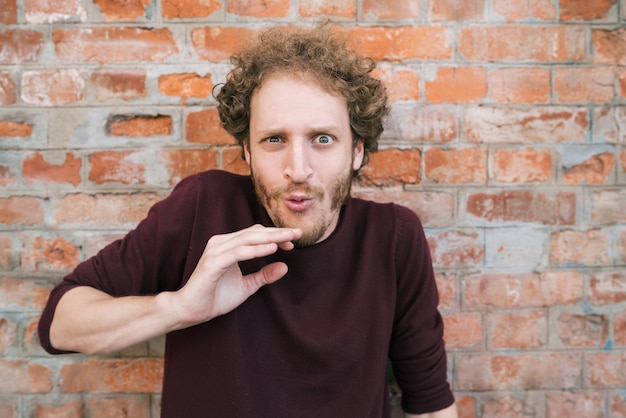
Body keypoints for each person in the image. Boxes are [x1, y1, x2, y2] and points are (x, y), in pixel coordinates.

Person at [38, 25, 458, 418]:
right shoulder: (203, 206)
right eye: (274, 140)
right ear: (248, 150)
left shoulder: (393, 237)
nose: (298, 168)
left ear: (356, 152)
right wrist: (180, 308)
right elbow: (60, 324)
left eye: (322, 139)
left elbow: (430, 402)